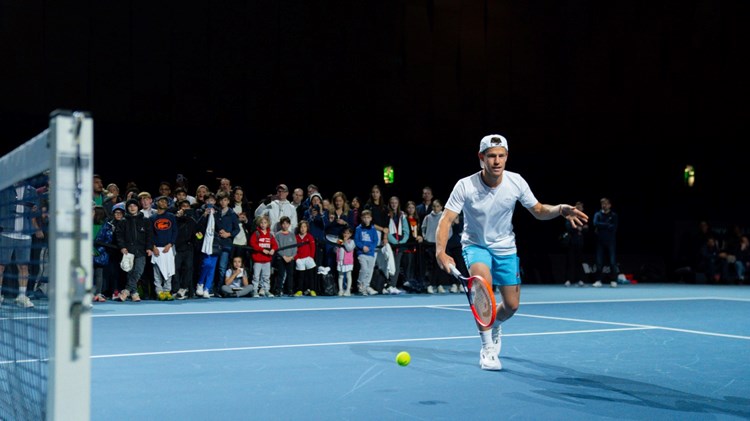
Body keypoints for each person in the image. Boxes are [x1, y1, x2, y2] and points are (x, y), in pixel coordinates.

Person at [435, 134, 588, 371]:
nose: (497, 161)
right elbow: (446, 220)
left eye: (501, 156)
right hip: (476, 246)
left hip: (505, 247)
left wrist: (559, 210)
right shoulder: (465, 185)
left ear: (506, 157)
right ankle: (487, 350)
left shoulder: (516, 182)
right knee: (482, 287)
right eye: (491, 156)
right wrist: (440, 251)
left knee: (512, 305)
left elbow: (537, 210)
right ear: (481, 158)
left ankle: (494, 323)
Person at [0, 182, 43, 308]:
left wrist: (36, 229)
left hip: (25, 233)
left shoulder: (32, 191)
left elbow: (34, 213)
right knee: (1, 265)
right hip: (6, 231)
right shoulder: (4, 188)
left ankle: (22, 296)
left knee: (24, 266)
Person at [115, 198, 154, 302]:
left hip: (141, 250)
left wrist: (149, 248)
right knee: (130, 272)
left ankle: (126, 291)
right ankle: (134, 293)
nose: (132, 208)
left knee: (138, 271)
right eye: (130, 206)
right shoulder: (123, 221)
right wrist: (122, 247)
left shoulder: (145, 220)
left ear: (138, 207)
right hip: (128, 251)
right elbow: (119, 236)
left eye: (134, 206)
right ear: (127, 208)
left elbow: (149, 236)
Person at [150, 196, 178, 300]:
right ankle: (159, 291)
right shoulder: (152, 218)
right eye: (161, 201)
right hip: (156, 248)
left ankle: (167, 291)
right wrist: (153, 247)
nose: (163, 203)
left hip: (168, 248)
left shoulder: (171, 216)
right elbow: (150, 234)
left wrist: (170, 244)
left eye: (165, 202)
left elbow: (175, 231)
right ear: (156, 202)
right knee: (157, 272)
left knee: (169, 270)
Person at [248, 214, 278, 297]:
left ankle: (266, 290)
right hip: (258, 260)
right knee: (256, 276)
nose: (263, 224)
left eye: (265, 223)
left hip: (267, 260)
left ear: (268, 224)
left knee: (266, 276)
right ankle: (254, 291)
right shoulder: (256, 233)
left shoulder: (270, 235)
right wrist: (262, 250)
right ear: (259, 224)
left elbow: (275, 245)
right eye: (261, 223)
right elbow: (252, 244)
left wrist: (272, 250)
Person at [592, 197, 619, 288]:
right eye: (603, 204)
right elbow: (595, 223)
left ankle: (613, 280)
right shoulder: (598, 214)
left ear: (610, 205)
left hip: (611, 241)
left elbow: (614, 227)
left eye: (606, 203)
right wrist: (607, 225)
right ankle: (598, 280)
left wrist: (602, 226)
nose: (604, 205)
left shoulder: (614, 215)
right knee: (599, 262)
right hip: (600, 241)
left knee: (612, 262)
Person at [563, 201, 589, 287]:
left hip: (580, 243)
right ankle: (568, 280)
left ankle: (580, 279)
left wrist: (580, 228)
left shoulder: (583, 218)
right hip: (571, 242)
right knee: (570, 262)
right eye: (577, 207)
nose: (578, 209)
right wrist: (578, 228)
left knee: (580, 262)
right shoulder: (570, 216)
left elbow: (586, 229)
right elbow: (568, 227)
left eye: (580, 207)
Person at [335, 227, 356, 296]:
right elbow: (335, 250)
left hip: (348, 262)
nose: (346, 234)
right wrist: (337, 246)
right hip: (340, 261)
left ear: (350, 234)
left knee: (348, 276)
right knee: (340, 276)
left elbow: (349, 249)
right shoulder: (339, 241)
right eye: (345, 233)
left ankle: (348, 290)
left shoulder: (352, 241)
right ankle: (340, 290)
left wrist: (345, 242)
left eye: (348, 233)